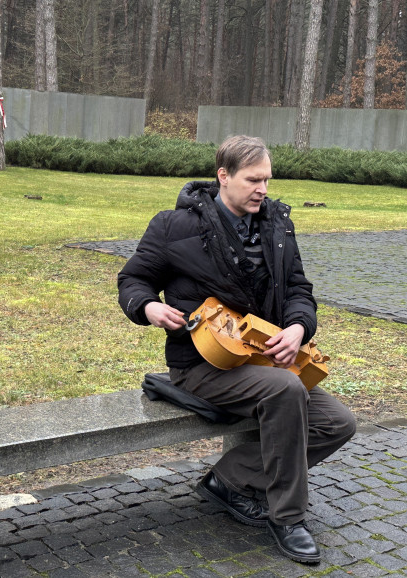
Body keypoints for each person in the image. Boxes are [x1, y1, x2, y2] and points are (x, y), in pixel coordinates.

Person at [117, 135, 356, 564]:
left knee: (338, 423)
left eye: (267, 180)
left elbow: (298, 289)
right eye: (253, 180)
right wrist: (149, 306)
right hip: (202, 363)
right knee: (286, 390)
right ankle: (288, 517)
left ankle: (228, 479)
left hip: (261, 359)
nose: (262, 189)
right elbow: (132, 280)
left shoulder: (277, 225)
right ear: (223, 176)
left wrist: (298, 328)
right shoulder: (173, 226)